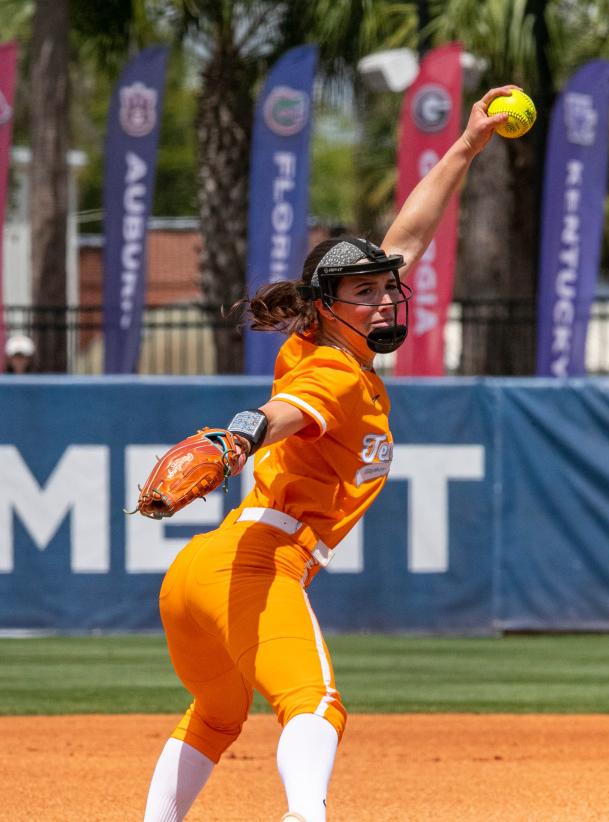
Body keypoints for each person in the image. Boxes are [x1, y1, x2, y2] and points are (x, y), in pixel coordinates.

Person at [141, 85, 515, 822]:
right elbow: (287, 412)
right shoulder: (334, 370)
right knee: (316, 704)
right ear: (327, 305)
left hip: (199, 576)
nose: (384, 301)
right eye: (366, 291)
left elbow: (406, 235)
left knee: (217, 716)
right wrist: (239, 435)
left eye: (387, 288)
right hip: (255, 565)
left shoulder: (324, 336)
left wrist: (466, 146)